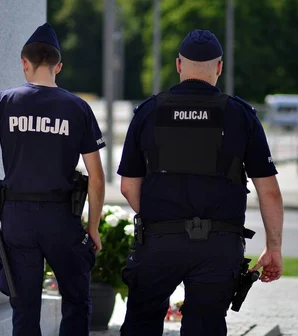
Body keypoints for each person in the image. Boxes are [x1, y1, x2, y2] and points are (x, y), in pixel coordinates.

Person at [117, 29, 284, 336]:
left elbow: (128, 186)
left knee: (141, 325)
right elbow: (269, 191)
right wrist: (273, 248)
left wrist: (160, 218)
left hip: (158, 244)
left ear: (179, 65)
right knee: (205, 328)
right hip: (219, 248)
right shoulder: (241, 115)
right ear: (219, 67)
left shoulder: (148, 111)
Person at [0, 23, 106, 336]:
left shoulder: (2, 103)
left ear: (25, 63)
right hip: (62, 221)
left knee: (24, 312)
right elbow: (96, 178)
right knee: (77, 303)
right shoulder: (78, 108)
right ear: (59, 67)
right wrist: (92, 227)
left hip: (17, 221)